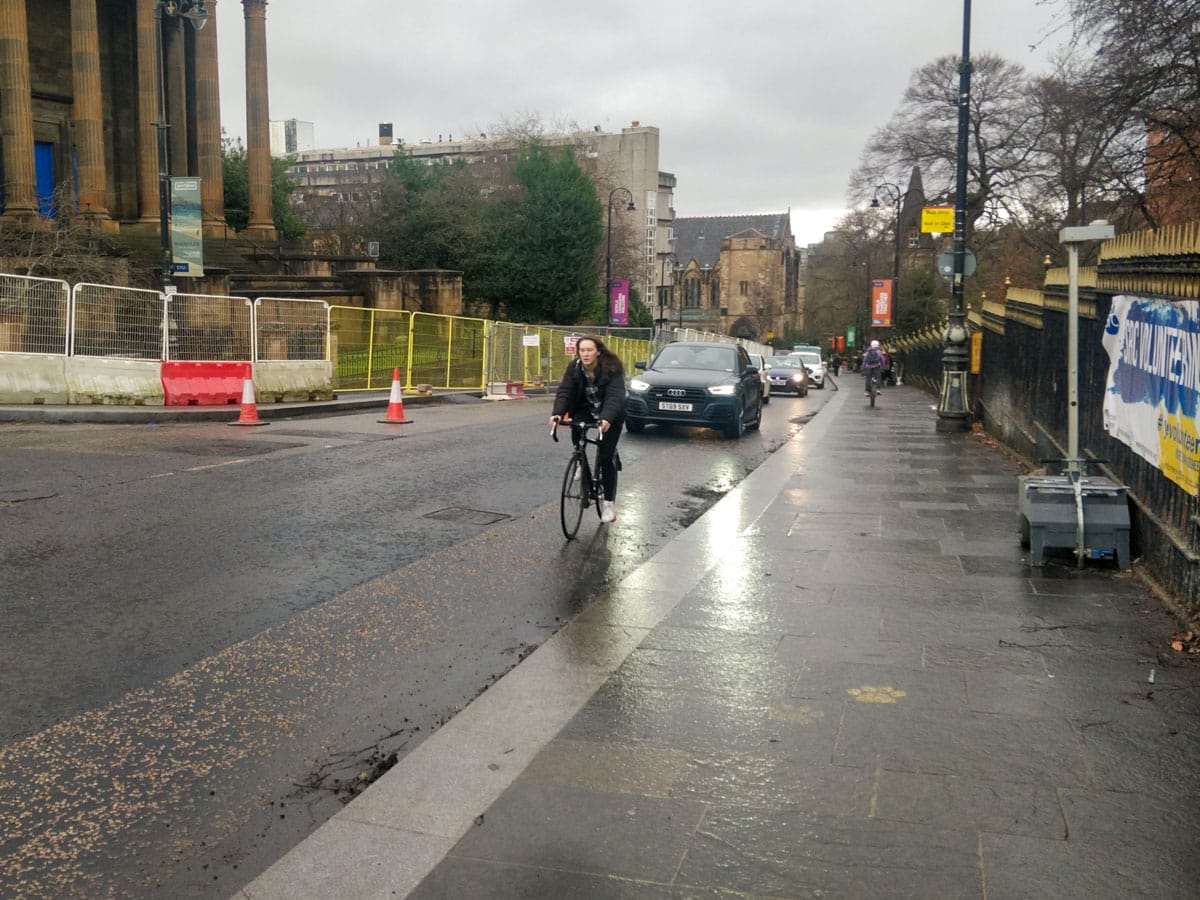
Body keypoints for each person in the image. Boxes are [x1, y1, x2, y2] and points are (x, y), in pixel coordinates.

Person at [549, 336, 627, 523]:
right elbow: (565, 391)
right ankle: (580, 462)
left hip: (610, 414)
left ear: (598, 351)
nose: (585, 354)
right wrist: (558, 413)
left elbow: (615, 397)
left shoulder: (612, 368)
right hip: (586, 409)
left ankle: (608, 506)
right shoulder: (575, 367)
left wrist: (606, 418)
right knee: (577, 427)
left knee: (606, 457)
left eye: (589, 350)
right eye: (582, 350)